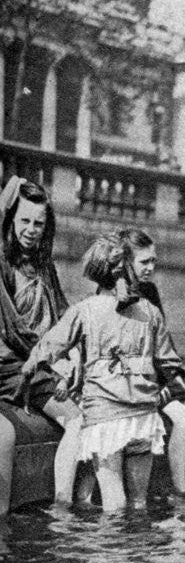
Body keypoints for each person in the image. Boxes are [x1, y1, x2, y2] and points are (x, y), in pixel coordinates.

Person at [20, 233, 185, 512]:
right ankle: (141, 553)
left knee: (113, 502)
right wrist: (168, 391)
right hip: (143, 418)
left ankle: (107, 556)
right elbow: (172, 366)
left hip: (105, 419)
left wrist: (28, 371)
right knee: (137, 503)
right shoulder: (149, 311)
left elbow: (50, 346)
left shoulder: (85, 310)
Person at [0, 176, 83, 513]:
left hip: (38, 363)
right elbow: (16, 331)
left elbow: (64, 317)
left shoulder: (45, 265)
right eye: (24, 220)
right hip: (11, 364)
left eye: (39, 223)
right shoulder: (2, 264)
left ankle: (63, 504)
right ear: (10, 220)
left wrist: (73, 354)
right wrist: (52, 360)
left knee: (79, 419)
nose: (31, 229)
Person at [119, 228, 185, 494]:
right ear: (125, 262)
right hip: (134, 383)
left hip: (156, 376)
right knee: (182, 418)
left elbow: (161, 342)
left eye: (153, 261)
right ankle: (180, 491)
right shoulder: (115, 294)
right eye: (144, 262)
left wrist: (175, 376)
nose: (151, 267)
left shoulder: (148, 290)